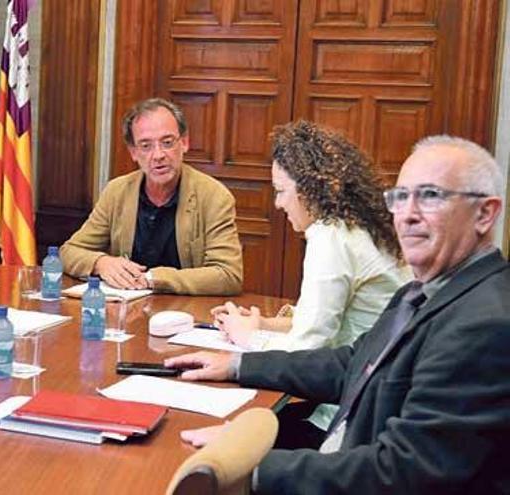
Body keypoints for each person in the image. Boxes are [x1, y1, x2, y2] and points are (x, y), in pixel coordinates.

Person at [166, 135, 510, 494]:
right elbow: (351, 364)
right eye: (400, 196)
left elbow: (410, 470)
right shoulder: (423, 292)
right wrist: (237, 365)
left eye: (430, 196)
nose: (407, 215)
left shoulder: (485, 324)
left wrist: (252, 469)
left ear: (484, 213)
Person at [199, 121, 412, 446]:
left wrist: (250, 338)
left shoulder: (330, 235)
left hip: (348, 418)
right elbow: (336, 320)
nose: (278, 204)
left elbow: (308, 349)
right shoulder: (357, 224)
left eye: (281, 191)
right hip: (375, 399)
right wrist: (267, 324)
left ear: (309, 189)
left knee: (223, 436)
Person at [60, 98, 242, 295]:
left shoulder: (214, 196)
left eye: (167, 143)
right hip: (126, 312)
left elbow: (228, 275)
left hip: (186, 314)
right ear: (133, 152)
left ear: (185, 143)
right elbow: (69, 252)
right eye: (146, 146)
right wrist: (100, 263)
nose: (158, 155)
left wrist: (153, 279)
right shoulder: (117, 192)